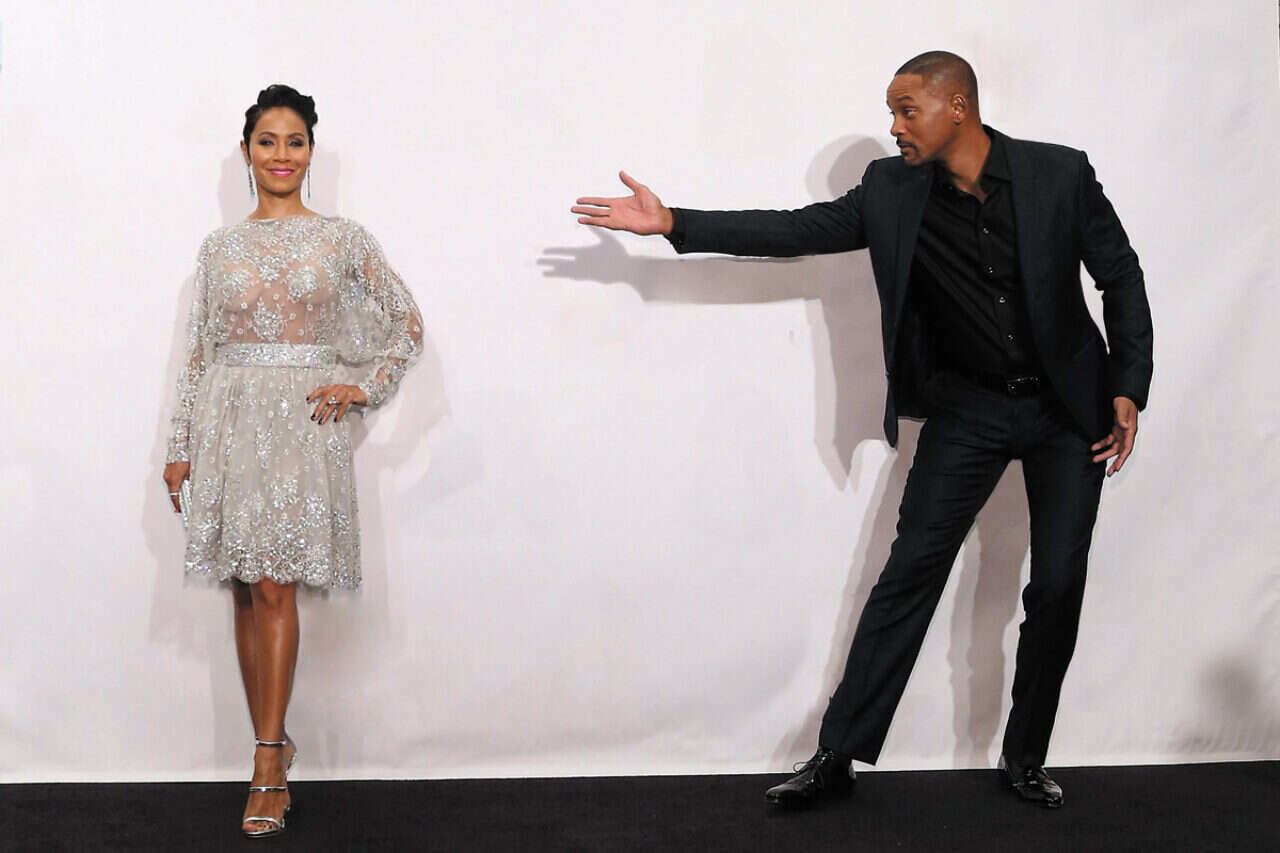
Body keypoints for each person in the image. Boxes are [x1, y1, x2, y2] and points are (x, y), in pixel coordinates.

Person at [571, 51, 1152, 809]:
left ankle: (1025, 757)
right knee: (908, 573)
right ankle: (837, 755)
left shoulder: (1059, 174)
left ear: (958, 107)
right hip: (968, 410)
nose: (895, 126)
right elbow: (795, 230)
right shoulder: (890, 190)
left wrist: (1128, 387)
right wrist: (675, 222)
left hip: (1067, 413)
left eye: (907, 110)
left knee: (1058, 585)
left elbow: (1120, 274)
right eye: (892, 113)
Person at [161, 84, 423, 837]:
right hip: (228, 423)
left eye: (295, 141)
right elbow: (200, 352)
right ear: (246, 152)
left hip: (301, 428)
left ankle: (268, 764)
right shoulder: (219, 248)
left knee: (274, 584)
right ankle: (271, 742)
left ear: (312, 151)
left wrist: (363, 385)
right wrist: (179, 447)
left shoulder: (342, 239)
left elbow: (406, 323)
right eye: (268, 141)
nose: (282, 154)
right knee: (248, 590)